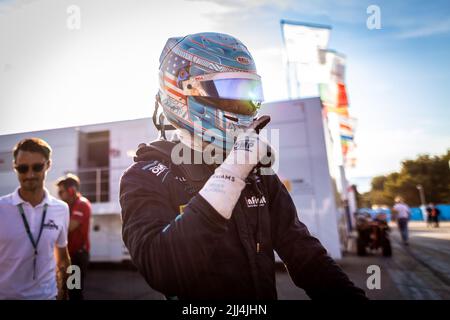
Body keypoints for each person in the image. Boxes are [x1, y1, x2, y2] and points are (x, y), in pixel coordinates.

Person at [119, 32, 367, 300]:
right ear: (182, 92)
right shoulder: (145, 176)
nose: (245, 104)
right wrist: (232, 173)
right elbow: (162, 270)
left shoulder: (257, 173)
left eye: (250, 92)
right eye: (231, 90)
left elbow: (305, 255)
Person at [0, 138, 71, 299]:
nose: (30, 174)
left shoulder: (61, 209)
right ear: (14, 167)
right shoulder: (1, 208)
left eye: (37, 167)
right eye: (23, 168)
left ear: (48, 165)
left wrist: (64, 293)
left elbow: (62, 259)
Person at [56, 173, 91, 300]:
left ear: (71, 191)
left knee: (74, 292)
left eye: (61, 192)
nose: (59, 195)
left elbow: (69, 227)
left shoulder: (81, 204)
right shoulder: (69, 206)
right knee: (65, 291)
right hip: (68, 256)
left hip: (76, 257)